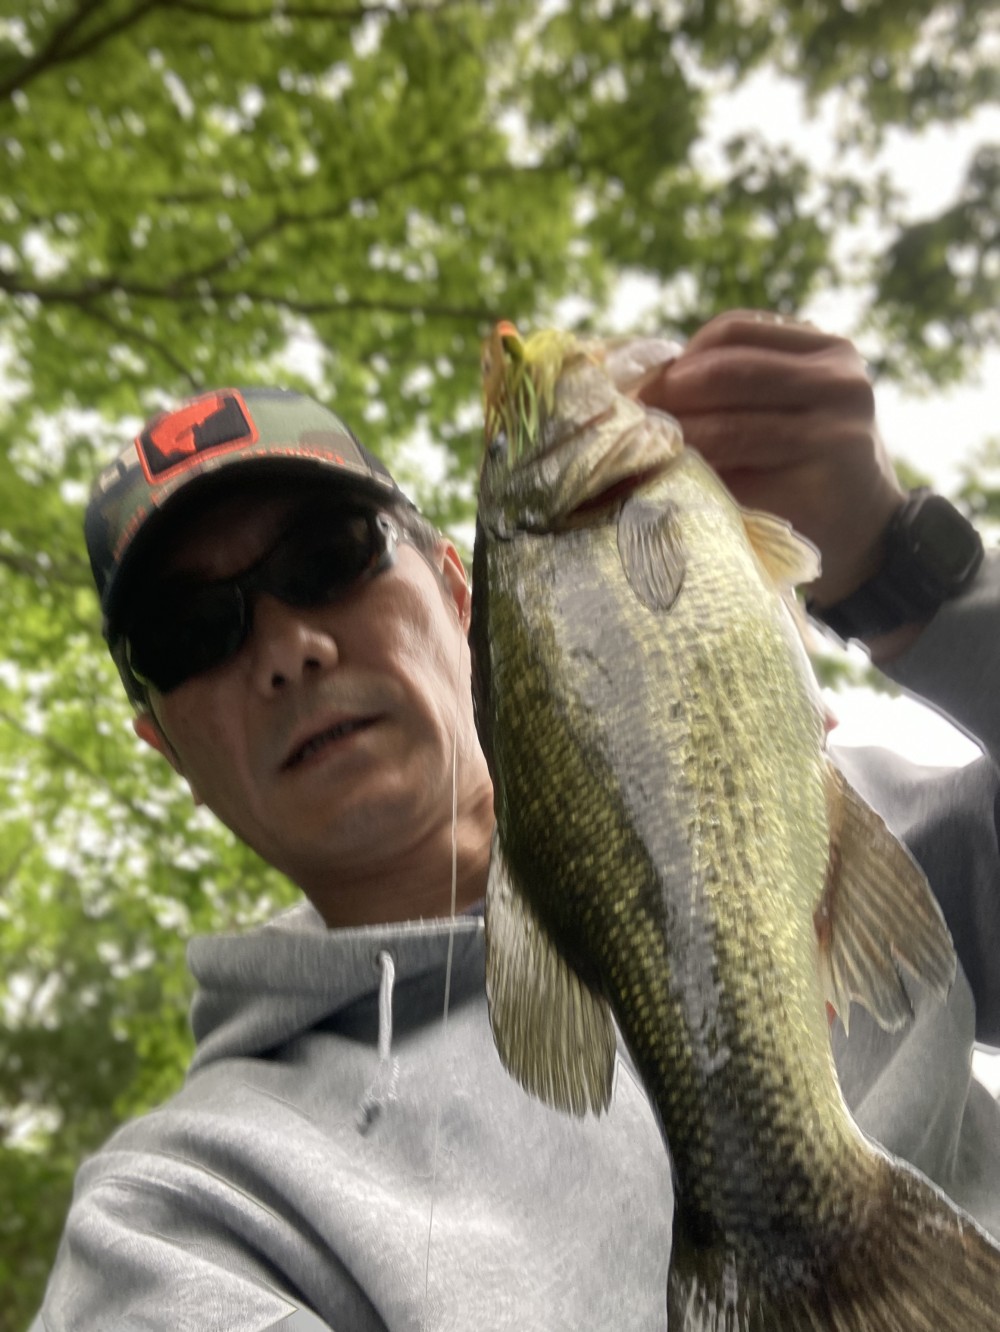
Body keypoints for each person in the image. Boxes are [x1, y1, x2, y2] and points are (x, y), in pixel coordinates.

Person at [30, 311, 1000, 1331]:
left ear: (460, 593)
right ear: (165, 748)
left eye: (327, 559)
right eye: (192, 633)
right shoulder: (179, 1217)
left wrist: (909, 575)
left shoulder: (804, 825)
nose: (287, 650)